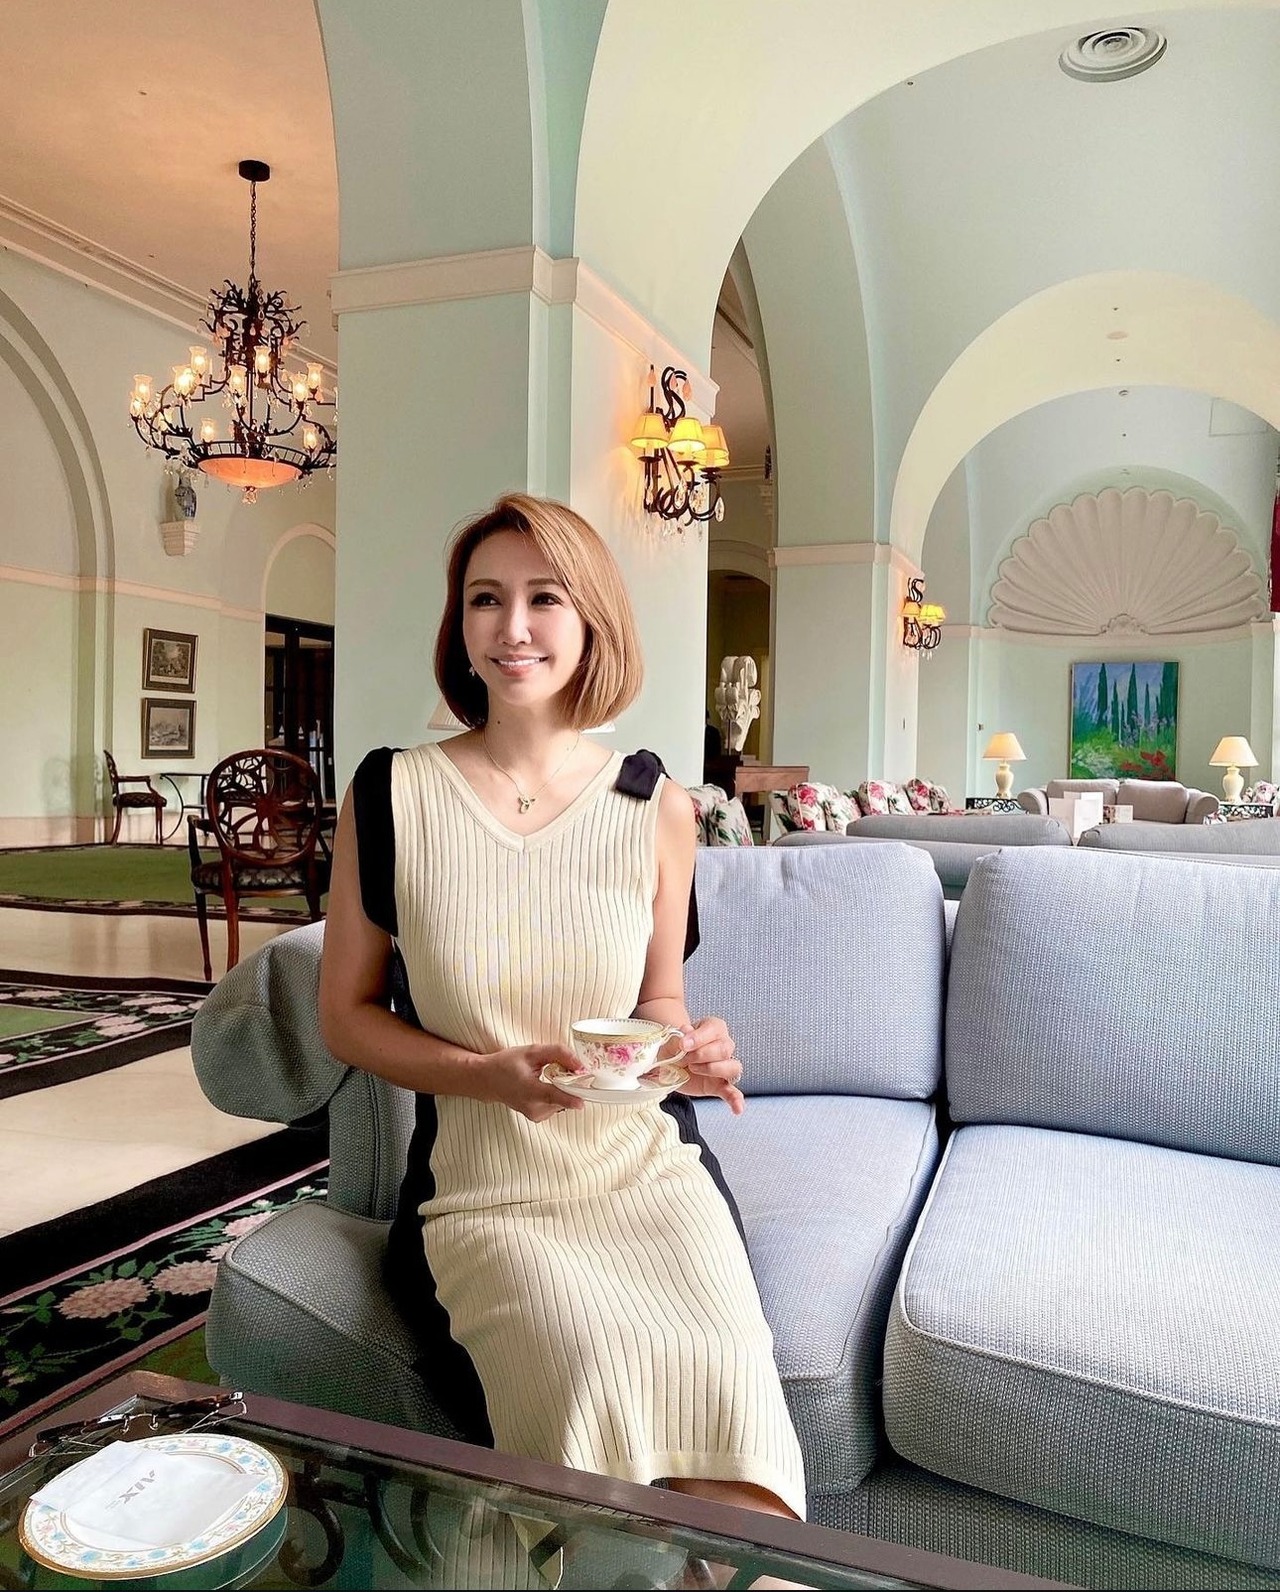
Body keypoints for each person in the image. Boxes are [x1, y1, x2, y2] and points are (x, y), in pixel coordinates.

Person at [318, 493, 806, 1558]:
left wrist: (686, 1051)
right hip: (485, 1190)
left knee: (727, 1387)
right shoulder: (390, 792)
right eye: (484, 599)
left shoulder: (655, 805)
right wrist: (484, 1073)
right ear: (459, 622)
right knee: (587, 1370)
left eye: (544, 598)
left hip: (643, 1171)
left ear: (591, 621)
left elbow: (655, 1005)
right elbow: (346, 1018)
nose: (512, 627)